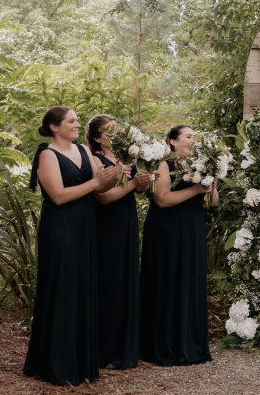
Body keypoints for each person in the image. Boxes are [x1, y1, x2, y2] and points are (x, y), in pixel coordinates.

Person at [24, 106, 120, 385]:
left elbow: (101, 187)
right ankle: (54, 362)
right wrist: (95, 181)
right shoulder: (47, 154)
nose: (77, 124)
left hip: (85, 226)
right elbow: (59, 196)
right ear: (55, 127)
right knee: (62, 286)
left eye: (77, 120)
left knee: (81, 286)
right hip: (60, 228)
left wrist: (119, 172)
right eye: (72, 121)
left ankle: (80, 360)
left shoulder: (83, 151)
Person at [140, 125, 212, 366]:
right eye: (189, 136)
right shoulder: (164, 164)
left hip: (192, 227)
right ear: (172, 142)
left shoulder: (201, 164)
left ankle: (189, 342)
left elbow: (211, 201)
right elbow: (162, 199)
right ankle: (164, 345)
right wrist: (196, 189)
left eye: (195, 136)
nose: (194, 140)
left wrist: (212, 184)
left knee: (189, 280)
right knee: (168, 280)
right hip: (167, 230)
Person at [86, 114, 151, 369]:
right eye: (110, 131)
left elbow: (139, 190)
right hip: (106, 223)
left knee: (126, 279)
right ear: (97, 137)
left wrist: (143, 183)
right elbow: (103, 196)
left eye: (118, 130)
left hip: (127, 222)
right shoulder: (94, 159)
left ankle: (125, 347)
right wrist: (132, 183)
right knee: (109, 280)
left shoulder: (126, 157)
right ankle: (104, 347)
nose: (116, 135)